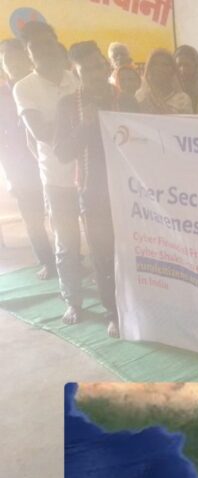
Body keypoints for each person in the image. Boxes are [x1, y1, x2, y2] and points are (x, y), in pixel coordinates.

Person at [54, 41, 139, 338]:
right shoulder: (68, 105)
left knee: (132, 252)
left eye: (97, 65)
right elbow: (62, 152)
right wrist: (85, 125)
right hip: (94, 194)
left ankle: (138, 307)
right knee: (103, 255)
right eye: (86, 69)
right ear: (76, 72)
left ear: (105, 65)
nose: (94, 73)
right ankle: (113, 312)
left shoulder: (126, 101)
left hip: (130, 192)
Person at [13, 21, 82, 324]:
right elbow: (40, 132)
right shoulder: (24, 87)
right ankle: (73, 301)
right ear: (28, 53)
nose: (44, 50)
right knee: (66, 242)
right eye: (35, 46)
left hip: (89, 173)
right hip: (56, 178)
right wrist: (77, 123)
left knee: (99, 239)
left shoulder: (75, 78)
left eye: (48, 42)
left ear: (57, 43)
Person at [0, 39, 54, 280]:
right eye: (6, 59)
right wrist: (9, 175)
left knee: (61, 214)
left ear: (27, 58)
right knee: (33, 218)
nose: (12, 63)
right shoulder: (2, 95)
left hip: (50, 160)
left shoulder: (40, 86)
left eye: (16, 57)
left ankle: (70, 257)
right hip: (20, 168)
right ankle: (47, 261)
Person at [136, 49, 193, 114]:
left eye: (165, 65)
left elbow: (186, 120)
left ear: (173, 70)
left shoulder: (182, 100)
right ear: (149, 69)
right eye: (155, 64)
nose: (160, 68)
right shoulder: (140, 96)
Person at [174, 45, 198, 112]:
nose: (182, 69)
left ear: (196, 66)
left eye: (187, 65)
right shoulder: (172, 89)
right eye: (179, 65)